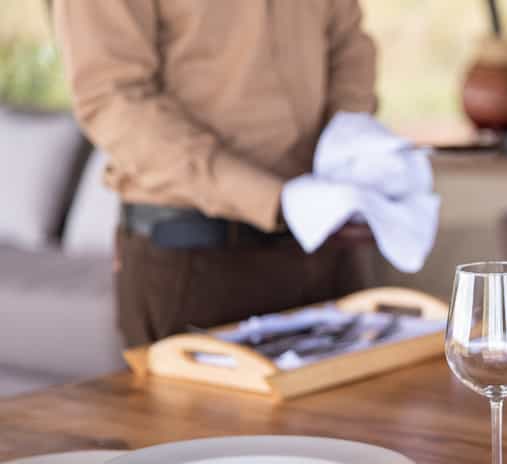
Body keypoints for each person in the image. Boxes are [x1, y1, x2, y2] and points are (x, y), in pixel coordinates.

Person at [54, 0, 377, 346]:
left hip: (325, 244)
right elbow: (113, 100)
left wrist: (347, 149)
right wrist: (271, 199)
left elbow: (348, 45)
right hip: (194, 260)